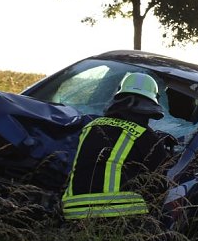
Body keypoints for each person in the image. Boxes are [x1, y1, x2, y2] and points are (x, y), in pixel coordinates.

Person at [61, 72, 172, 222]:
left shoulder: (91, 126)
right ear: (150, 106)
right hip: (120, 216)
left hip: (73, 212)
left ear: (118, 99)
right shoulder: (147, 137)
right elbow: (159, 186)